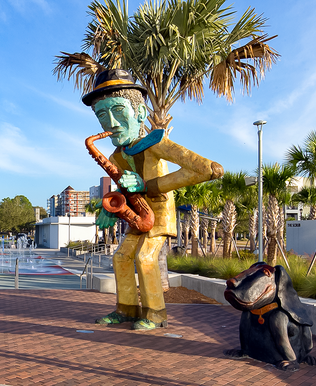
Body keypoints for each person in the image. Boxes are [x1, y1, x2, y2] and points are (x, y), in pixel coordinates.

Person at [85, 69, 223, 330]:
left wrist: (147, 185)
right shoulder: (117, 156)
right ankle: (125, 310)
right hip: (138, 215)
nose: (110, 122)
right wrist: (111, 207)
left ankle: (156, 313)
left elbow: (208, 169)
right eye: (102, 115)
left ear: (139, 113)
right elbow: (126, 191)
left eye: (117, 110)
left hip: (159, 214)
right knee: (120, 258)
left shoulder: (157, 143)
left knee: (146, 258)